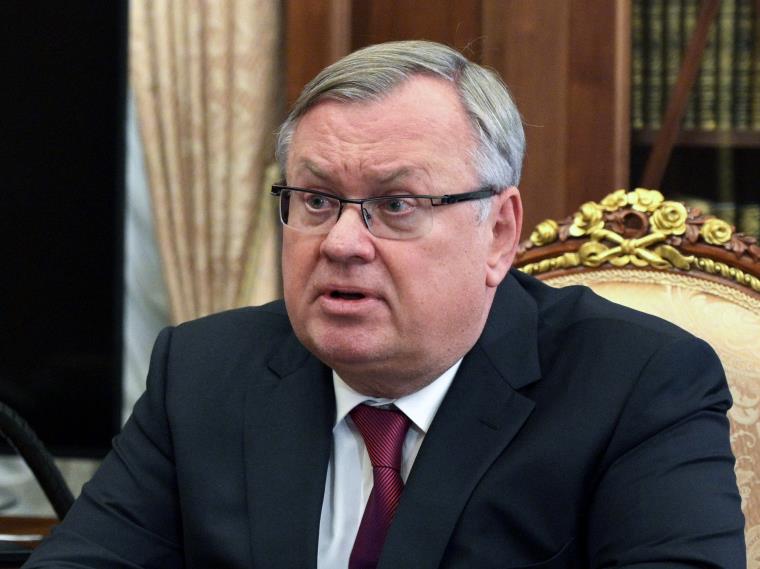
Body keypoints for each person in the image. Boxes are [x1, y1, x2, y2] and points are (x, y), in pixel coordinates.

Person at [25, 40, 744, 568]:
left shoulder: (638, 384)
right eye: (315, 199)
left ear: (498, 232)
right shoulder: (204, 370)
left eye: (396, 204)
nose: (341, 241)